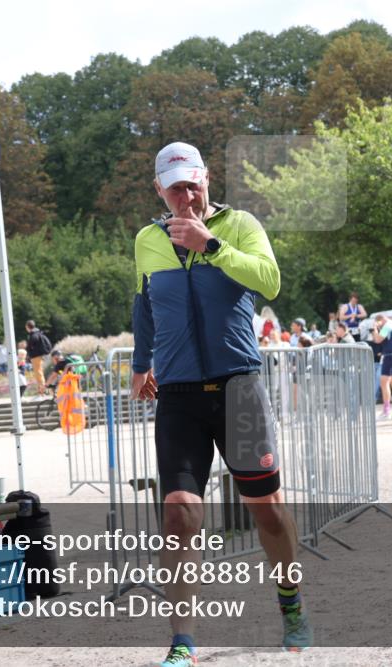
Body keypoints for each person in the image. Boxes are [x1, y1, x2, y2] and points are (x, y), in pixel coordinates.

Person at [129, 141, 310, 665]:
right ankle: (182, 641)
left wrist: (211, 246)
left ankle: (292, 607)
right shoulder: (147, 239)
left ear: (207, 178)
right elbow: (144, 305)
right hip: (180, 394)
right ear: (158, 190)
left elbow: (269, 283)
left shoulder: (240, 225)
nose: (187, 196)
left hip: (240, 390)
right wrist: (141, 364)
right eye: (176, 188)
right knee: (180, 513)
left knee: (268, 512)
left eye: (194, 184)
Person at [372, 314, 392, 419]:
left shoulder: (387, 326)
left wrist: (375, 329)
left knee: (384, 383)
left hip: (388, 356)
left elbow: (377, 340)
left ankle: (386, 412)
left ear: (380, 320)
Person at [25, 320, 52, 399]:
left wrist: (29, 352)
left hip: (36, 356)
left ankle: (42, 392)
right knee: (40, 373)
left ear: (27, 326)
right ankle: (42, 392)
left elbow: (30, 346)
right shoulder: (39, 333)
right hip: (41, 356)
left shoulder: (33, 335)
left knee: (38, 374)